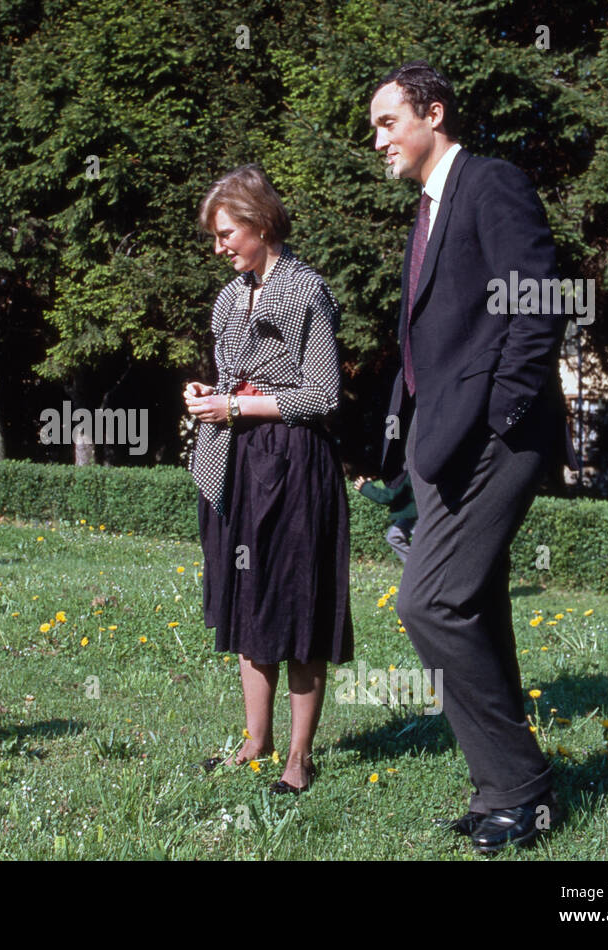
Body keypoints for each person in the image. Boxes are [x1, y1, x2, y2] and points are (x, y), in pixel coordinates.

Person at [369, 61, 578, 852]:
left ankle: (523, 786)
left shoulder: (490, 182)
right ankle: (503, 790)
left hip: (495, 439)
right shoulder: (425, 213)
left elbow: (539, 299)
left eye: (389, 122)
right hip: (441, 445)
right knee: (476, 608)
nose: (379, 140)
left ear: (434, 114)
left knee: (429, 604)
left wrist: (502, 416)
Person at [185, 164, 353, 795]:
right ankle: (256, 741)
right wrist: (211, 393)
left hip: (292, 465)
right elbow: (237, 376)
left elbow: (322, 394)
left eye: (227, 233)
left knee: (297, 605)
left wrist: (237, 406)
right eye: (216, 236)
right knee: (248, 601)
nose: (220, 246)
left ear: (258, 224)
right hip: (233, 462)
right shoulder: (231, 297)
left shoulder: (306, 290)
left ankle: (299, 758)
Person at [353, 471, 416, 563]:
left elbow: (387, 496)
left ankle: (421, 568)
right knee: (393, 537)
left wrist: (365, 487)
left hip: (418, 514)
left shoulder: (405, 470)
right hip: (411, 514)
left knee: (424, 543)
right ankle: (415, 565)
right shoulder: (404, 467)